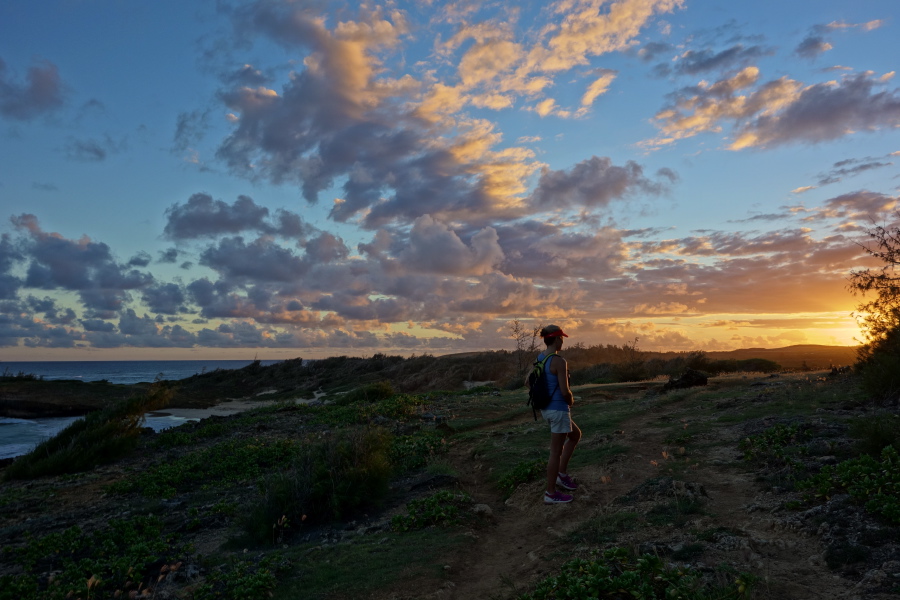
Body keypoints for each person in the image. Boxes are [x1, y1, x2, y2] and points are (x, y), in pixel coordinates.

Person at [534, 324, 582, 504]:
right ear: (556, 339)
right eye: (561, 338)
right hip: (559, 410)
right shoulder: (559, 362)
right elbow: (565, 391)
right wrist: (570, 400)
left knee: (575, 435)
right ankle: (551, 493)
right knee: (555, 452)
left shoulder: (540, 358)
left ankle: (562, 474)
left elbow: (527, 382)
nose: (562, 342)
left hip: (547, 409)